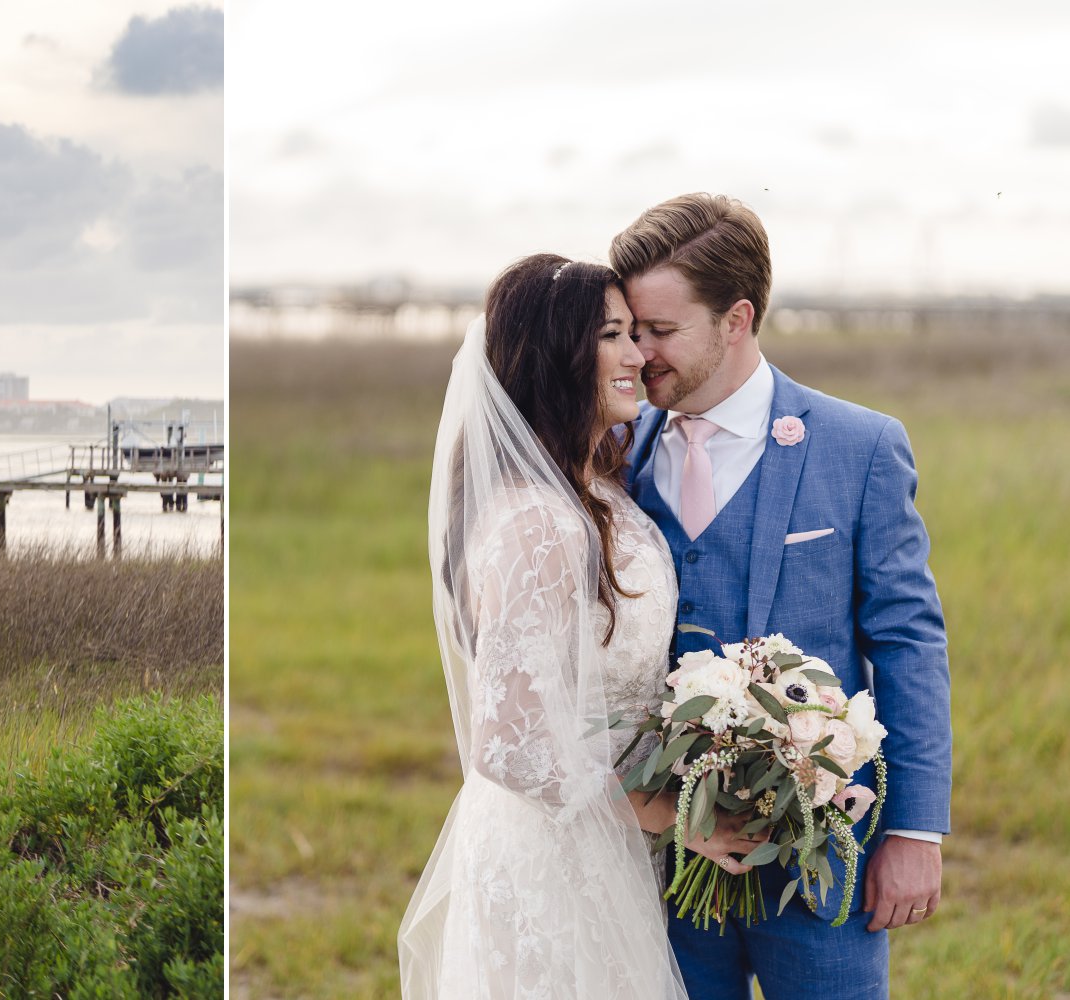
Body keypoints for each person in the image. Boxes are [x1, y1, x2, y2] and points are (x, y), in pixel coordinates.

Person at [615, 193, 950, 999]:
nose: (638, 353)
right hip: (657, 853)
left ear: (737, 318)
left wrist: (912, 829)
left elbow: (907, 640)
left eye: (661, 331)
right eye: (631, 330)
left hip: (818, 852)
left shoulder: (859, 446)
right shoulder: (615, 448)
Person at [398, 254, 760, 998]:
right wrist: (670, 815)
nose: (637, 356)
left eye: (637, 332)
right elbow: (512, 745)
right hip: (555, 856)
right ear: (558, 356)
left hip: (609, 843)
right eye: (612, 336)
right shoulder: (539, 522)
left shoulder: (595, 489)